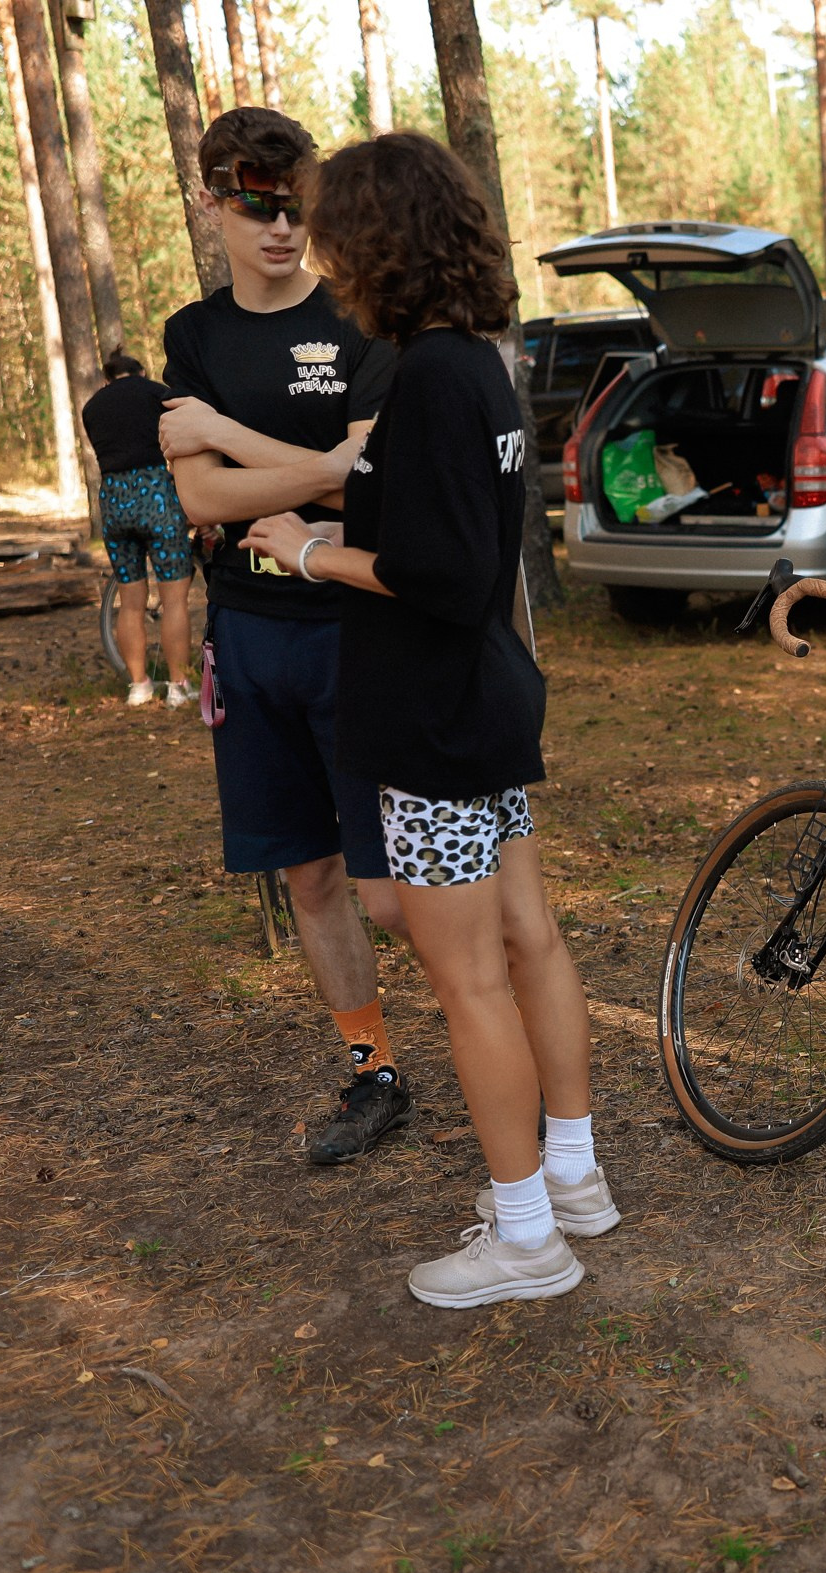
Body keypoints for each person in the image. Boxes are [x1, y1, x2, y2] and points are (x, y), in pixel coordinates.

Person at [242, 131, 612, 1309]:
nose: (323, 251)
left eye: (337, 230)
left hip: (438, 723)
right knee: (526, 941)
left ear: (379, 241)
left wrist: (311, 552)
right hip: (481, 703)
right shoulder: (473, 364)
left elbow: (442, 573)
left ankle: (525, 1239)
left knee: (471, 983)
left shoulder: (428, 377)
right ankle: (574, 1173)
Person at [157, 107, 415, 1165]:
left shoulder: (359, 322)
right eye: (254, 204)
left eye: (293, 205)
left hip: (360, 626)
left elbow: (376, 478)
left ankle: (502, 1038)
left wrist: (230, 439)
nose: (279, 228)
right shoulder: (196, 336)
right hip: (251, 632)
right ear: (212, 202)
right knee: (311, 876)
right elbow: (200, 502)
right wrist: (320, 471)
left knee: (399, 891)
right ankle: (375, 1072)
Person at [81, 351, 196, 708]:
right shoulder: (156, 393)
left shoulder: (92, 407)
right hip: (156, 495)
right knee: (174, 599)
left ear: (107, 378)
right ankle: (178, 686)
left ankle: (139, 685)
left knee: (130, 602)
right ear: (141, 372)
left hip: (114, 501)